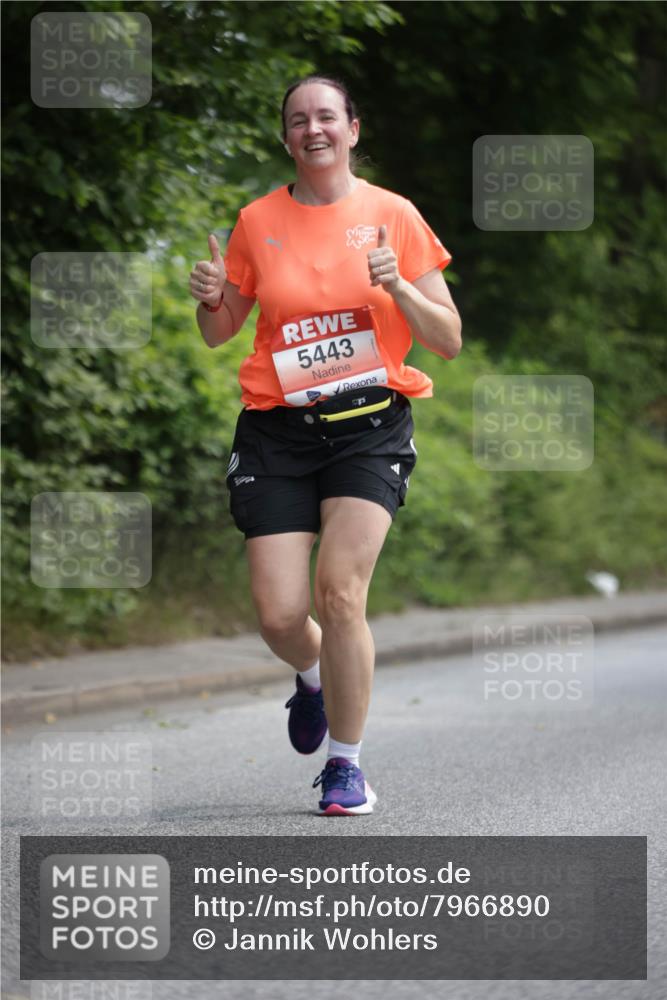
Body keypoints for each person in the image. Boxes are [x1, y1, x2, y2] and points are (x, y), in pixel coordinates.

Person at [190, 75, 461, 816]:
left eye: (326, 117)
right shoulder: (257, 220)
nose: (313, 129)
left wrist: (400, 288)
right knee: (280, 614)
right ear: (286, 138)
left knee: (338, 593)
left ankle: (345, 766)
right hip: (277, 430)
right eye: (298, 120)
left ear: (352, 128)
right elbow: (220, 332)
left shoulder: (392, 215)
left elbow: (448, 339)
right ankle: (311, 676)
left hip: (369, 428)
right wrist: (212, 296)